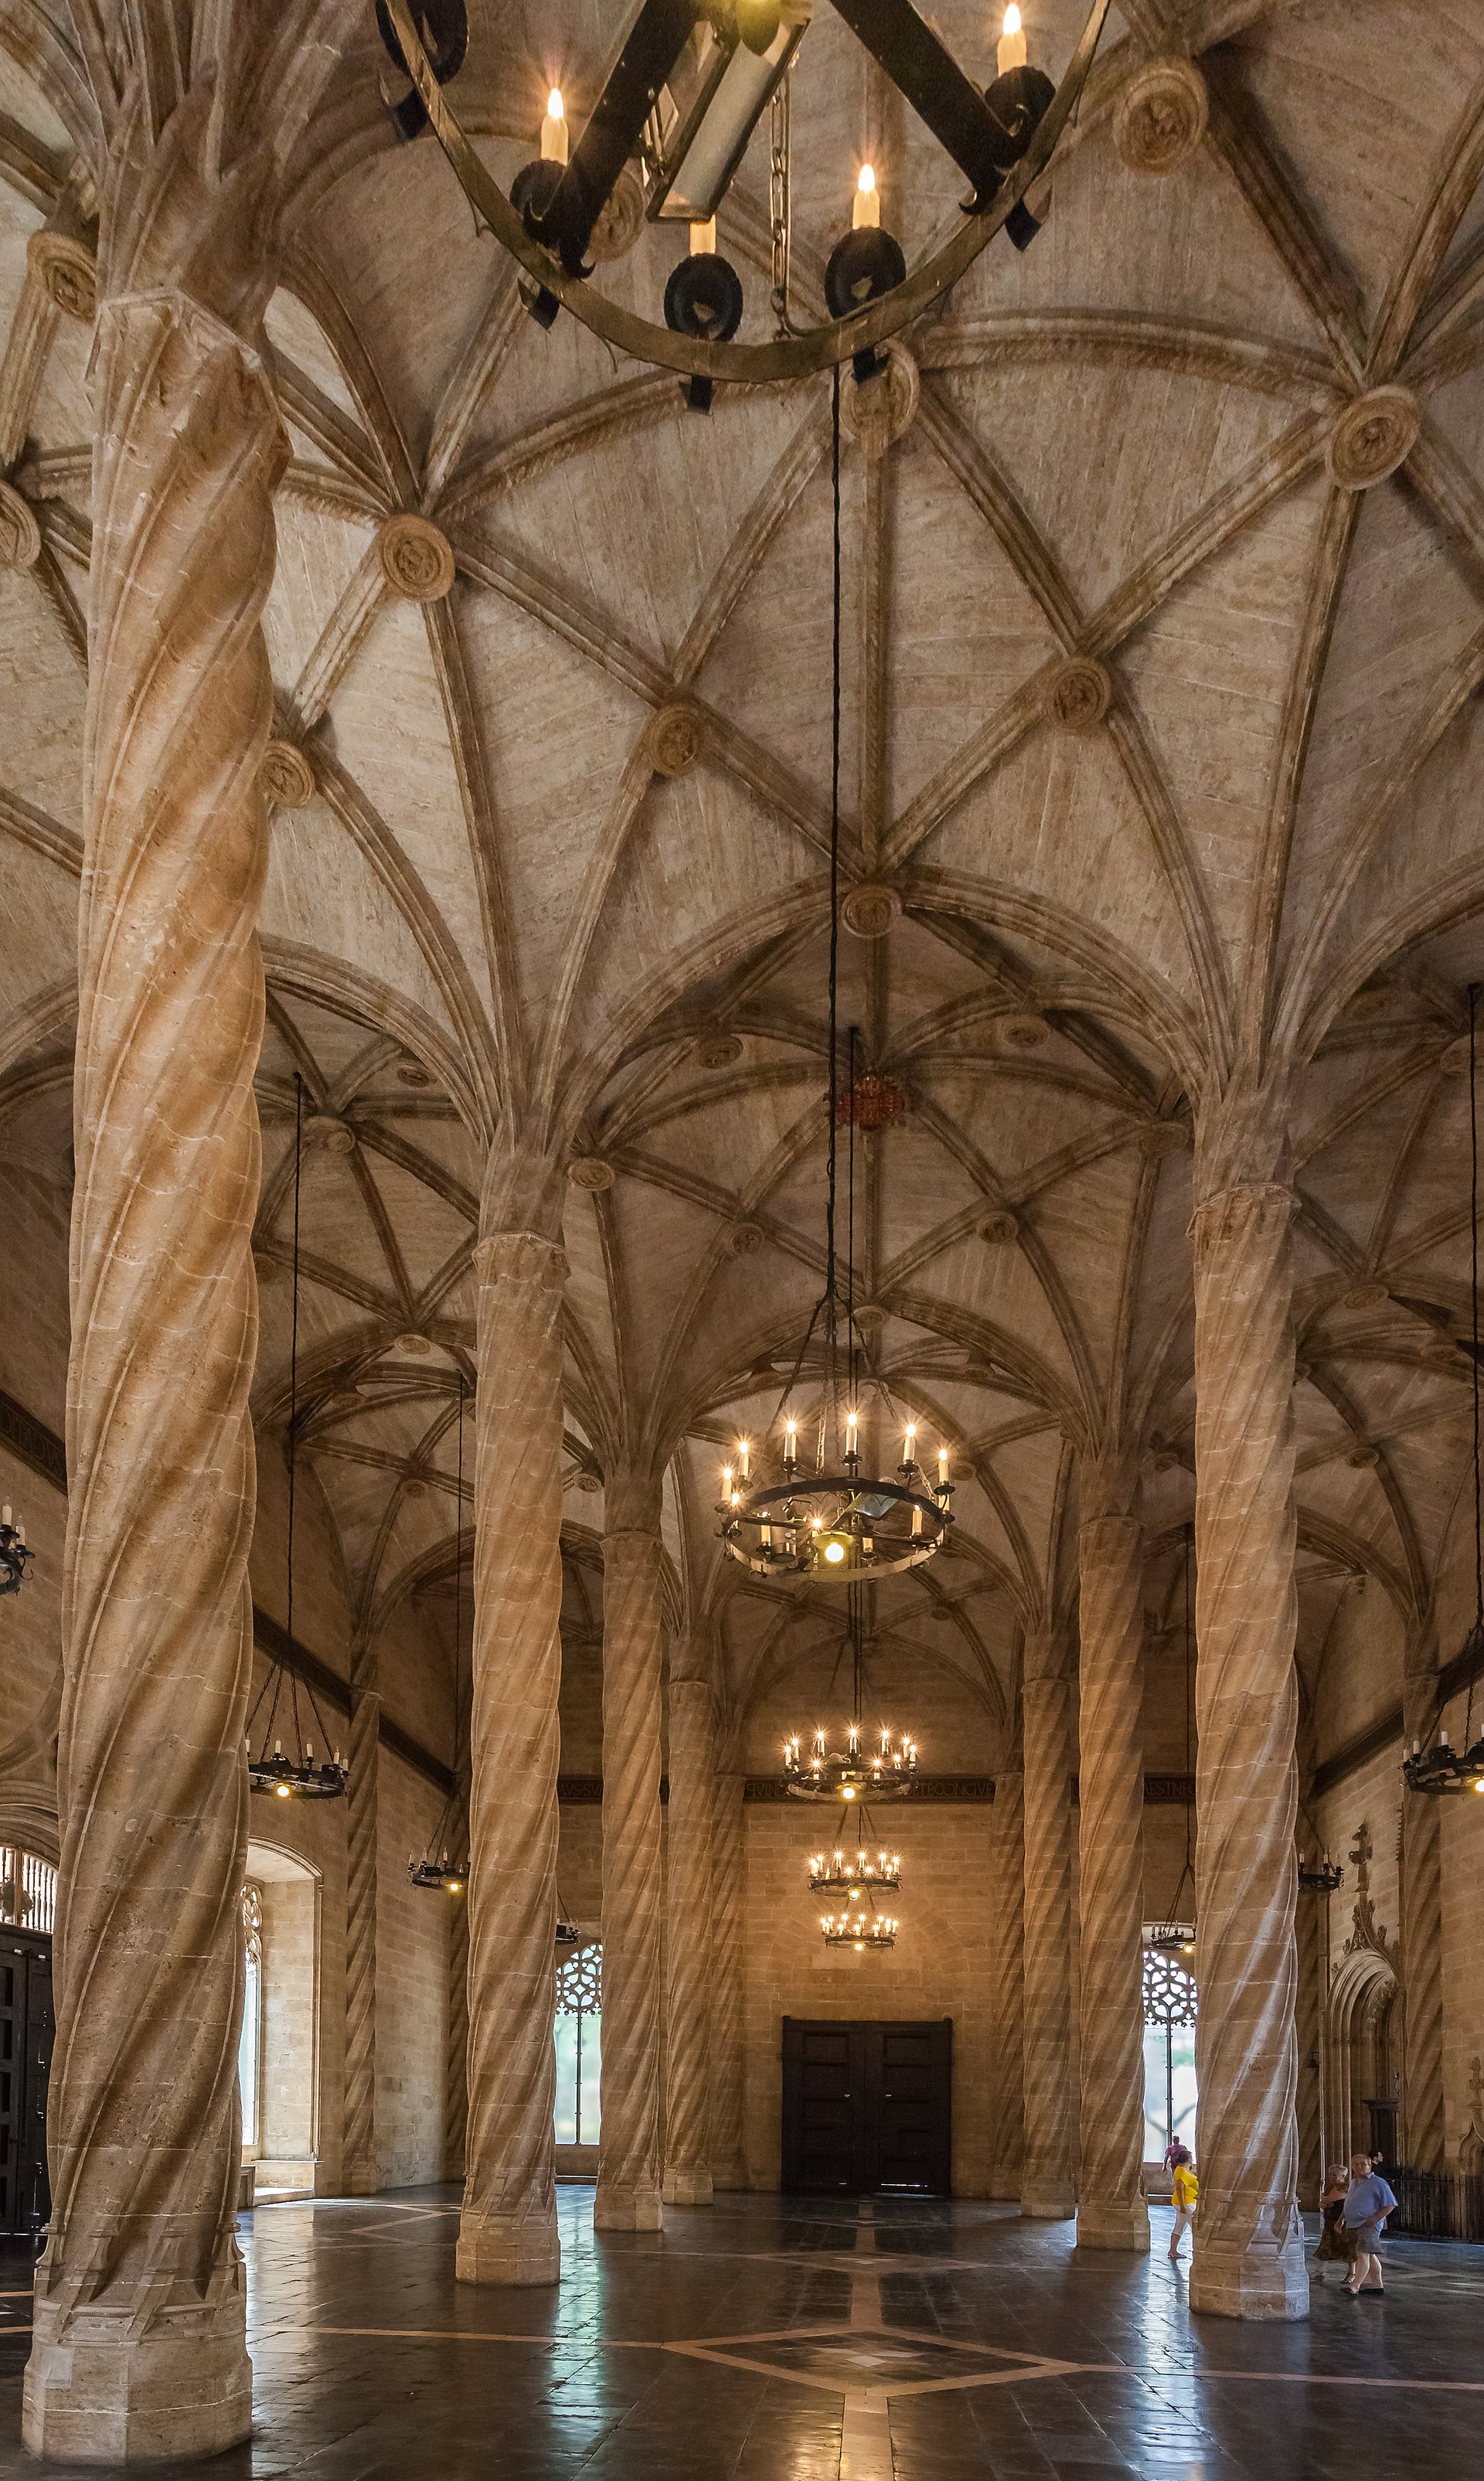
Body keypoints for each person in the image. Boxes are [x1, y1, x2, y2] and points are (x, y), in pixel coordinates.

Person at [1341, 2150, 1397, 2295]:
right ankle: (1378, 2286)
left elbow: (1390, 2204)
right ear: (1352, 2166)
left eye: (1364, 2164)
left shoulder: (1378, 2183)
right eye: (1357, 2164)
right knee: (1370, 2255)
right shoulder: (1354, 2182)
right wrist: (1341, 2219)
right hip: (1354, 2224)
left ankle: (1355, 2286)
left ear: (1370, 2165)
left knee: (1362, 2254)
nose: (1361, 2167)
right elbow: (1349, 2202)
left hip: (1368, 2225)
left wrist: (1376, 2219)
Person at [1314, 2163, 1355, 2278]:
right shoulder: (1330, 2187)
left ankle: (1351, 2273)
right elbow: (1321, 2203)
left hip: (1342, 2222)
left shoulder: (1345, 2187)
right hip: (1329, 2221)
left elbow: (1328, 2198)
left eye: (1334, 2175)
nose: (1331, 2177)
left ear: (1343, 2176)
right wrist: (1325, 2203)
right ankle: (1320, 2271)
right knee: (1325, 2246)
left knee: (1347, 2248)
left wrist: (1326, 2200)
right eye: (1330, 2174)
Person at [1168, 2143, 1197, 2262]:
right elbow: (1180, 2188)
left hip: (1186, 2202)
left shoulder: (1185, 2170)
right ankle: (1199, 2251)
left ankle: (1173, 2250)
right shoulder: (1181, 2171)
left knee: (1180, 2226)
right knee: (1196, 2227)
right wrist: (1183, 2205)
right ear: (1189, 2159)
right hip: (1186, 2203)